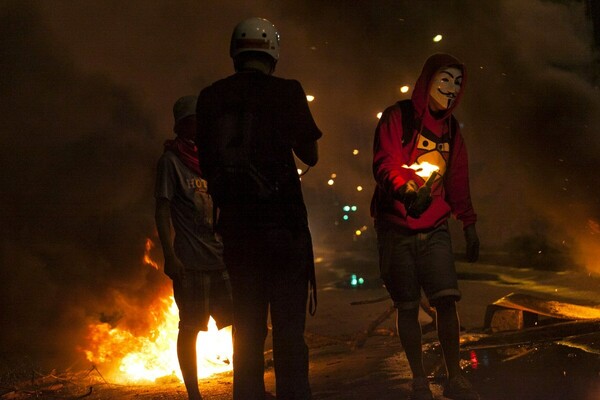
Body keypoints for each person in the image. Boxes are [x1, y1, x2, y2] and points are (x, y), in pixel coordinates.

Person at [195, 17, 322, 400]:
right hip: (284, 232)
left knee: (248, 334)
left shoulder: (210, 97)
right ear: (273, 54)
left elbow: (206, 165)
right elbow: (310, 155)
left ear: (236, 52)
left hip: (237, 235)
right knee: (288, 334)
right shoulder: (287, 91)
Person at [371, 53, 480, 400]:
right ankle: (419, 380)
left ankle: (455, 376)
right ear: (427, 81)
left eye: (457, 83)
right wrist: (405, 190)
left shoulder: (451, 129)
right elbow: (384, 161)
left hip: (434, 227)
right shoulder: (396, 117)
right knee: (407, 305)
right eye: (444, 80)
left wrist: (469, 224)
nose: (451, 89)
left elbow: (458, 179)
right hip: (395, 227)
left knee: (446, 301)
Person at [155, 95, 233, 400]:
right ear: (182, 125)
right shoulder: (170, 162)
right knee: (189, 329)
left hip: (221, 260)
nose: (201, 127)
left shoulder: (213, 159)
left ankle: (245, 385)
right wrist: (169, 255)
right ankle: (194, 395)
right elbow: (162, 210)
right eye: (195, 121)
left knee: (239, 323)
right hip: (191, 264)